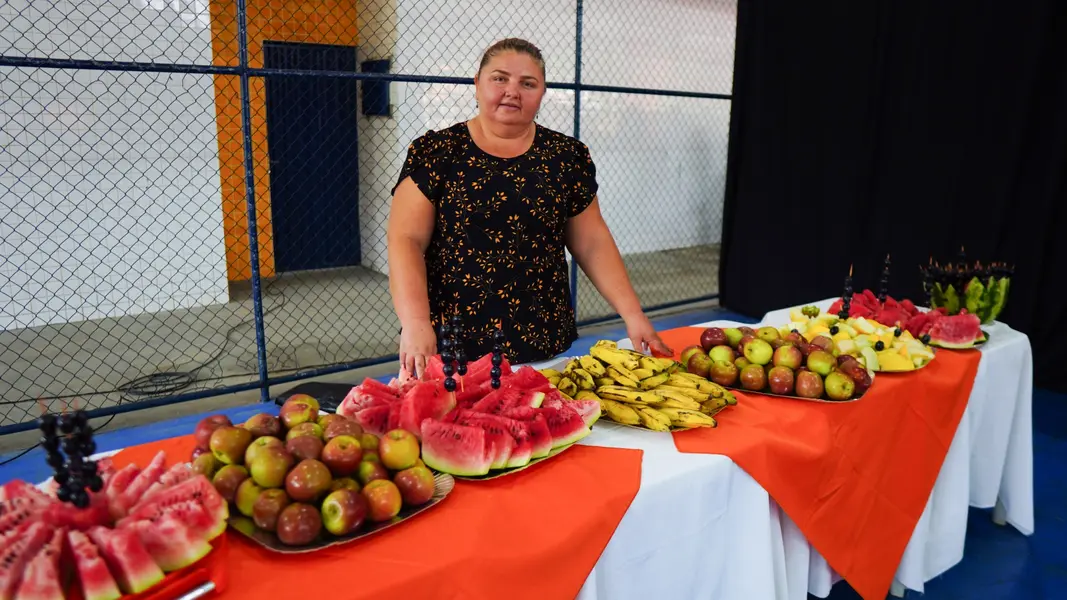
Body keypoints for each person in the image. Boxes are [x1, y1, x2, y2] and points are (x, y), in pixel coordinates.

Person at [387, 37, 672, 378]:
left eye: (528, 83)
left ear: (542, 92)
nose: (512, 91)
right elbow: (405, 240)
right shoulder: (436, 151)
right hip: (449, 344)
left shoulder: (567, 156)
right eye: (499, 78)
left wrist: (633, 314)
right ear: (477, 84)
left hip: (542, 342)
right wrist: (416, 323)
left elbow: (592, 241)